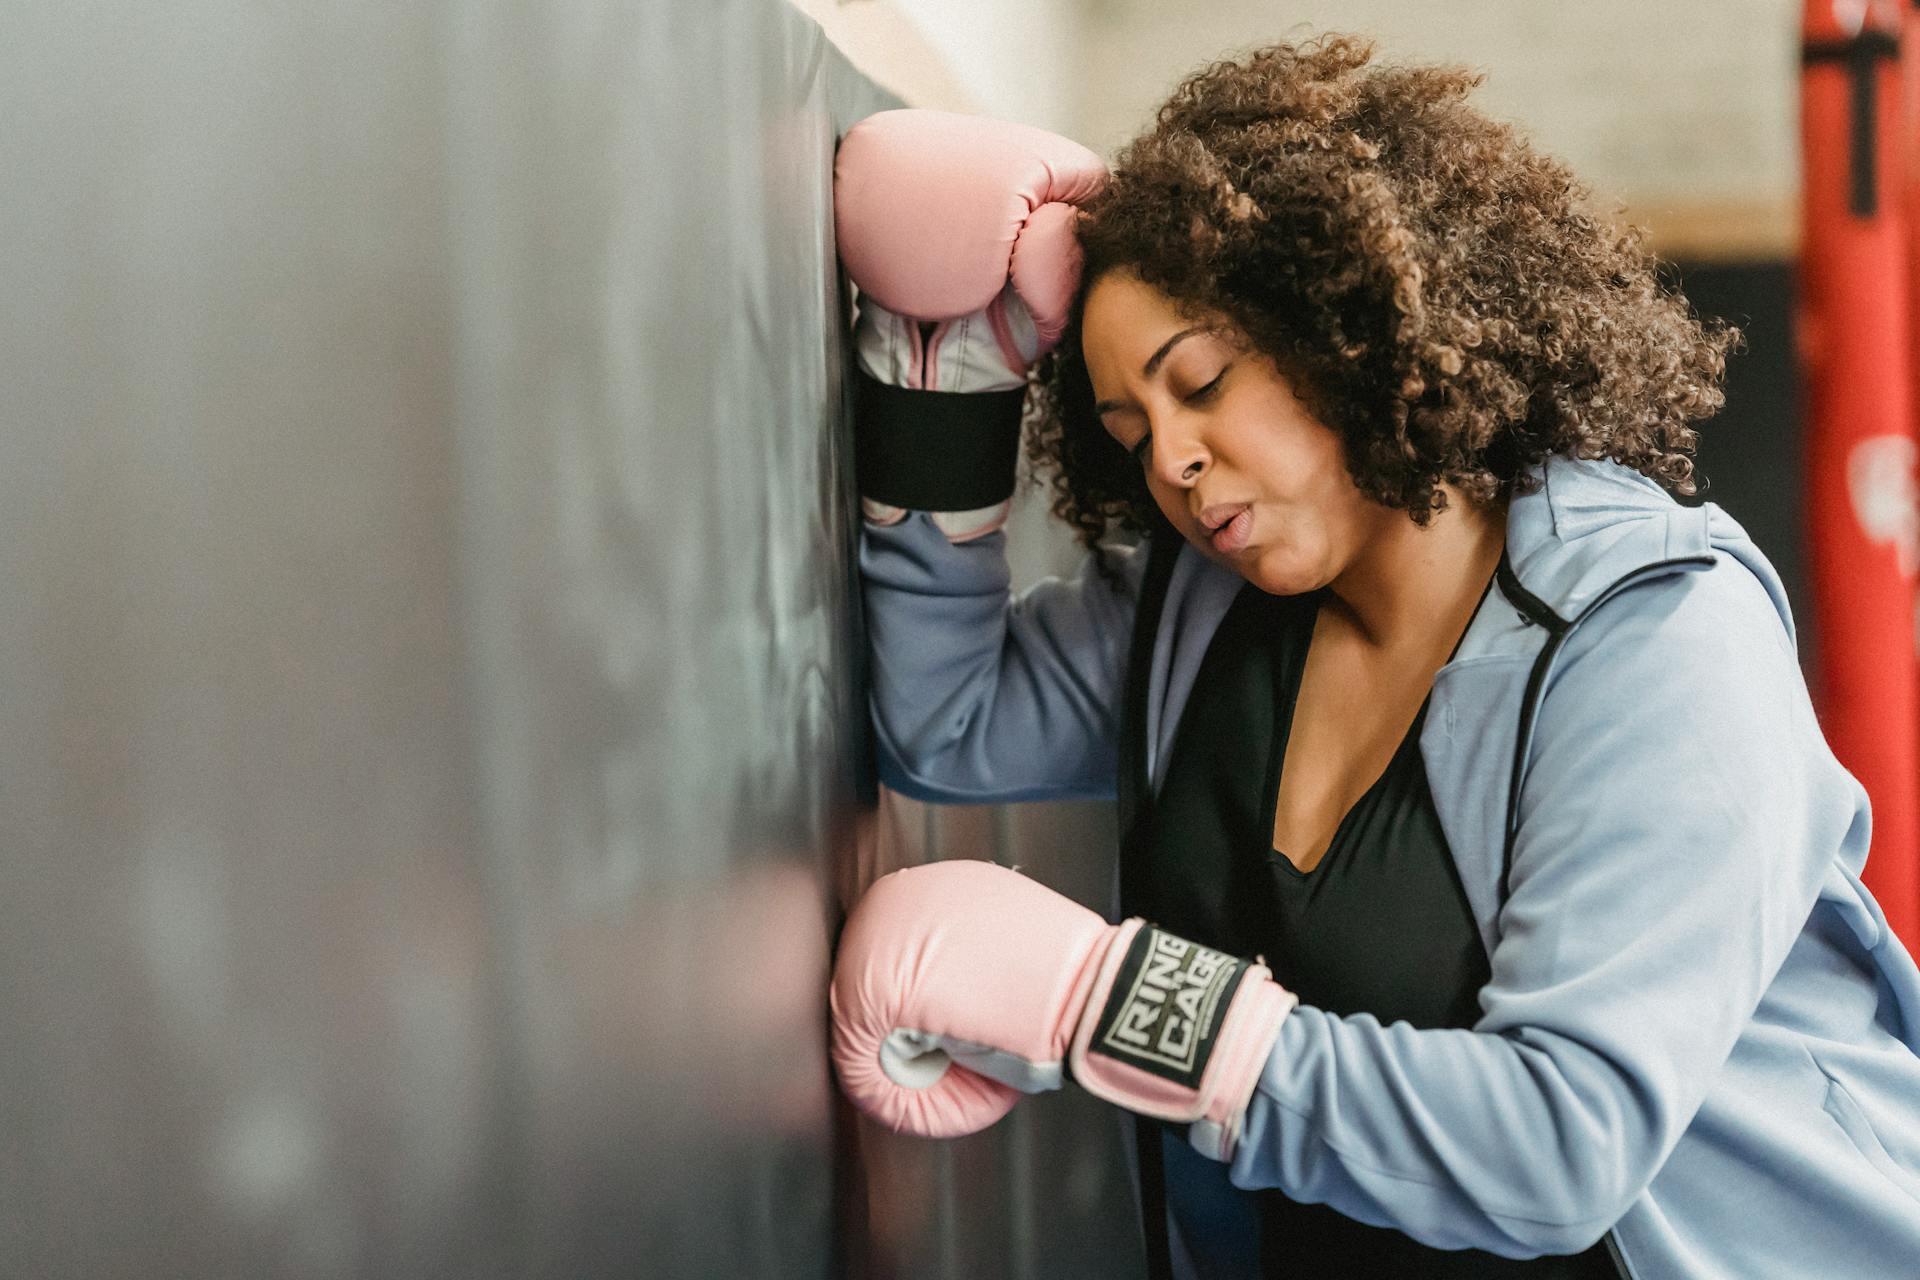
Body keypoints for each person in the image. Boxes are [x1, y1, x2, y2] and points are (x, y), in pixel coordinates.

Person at [828, 36, 1920, 1280]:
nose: (1171, 461)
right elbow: (955, 719)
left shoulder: (1663, 642)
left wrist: (1109, 999)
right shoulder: (1213, 602)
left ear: (1342, 322)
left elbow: (1559, 1146)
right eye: (1130, 428)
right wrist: (947, 368)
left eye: (1204, 384)